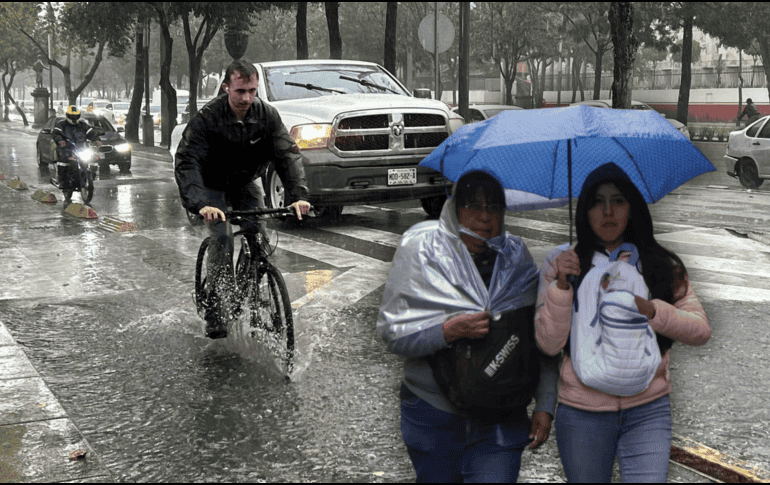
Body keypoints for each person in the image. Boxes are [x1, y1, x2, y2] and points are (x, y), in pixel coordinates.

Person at [534, 162, 711, 482]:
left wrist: (654, 311)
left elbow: (700, 330)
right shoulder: (562, 262)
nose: (608, 211)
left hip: (648, 410)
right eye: (597, 202)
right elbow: (548, 343)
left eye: (617, 200)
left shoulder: (659, 263)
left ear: (632, 208)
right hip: (582, 413)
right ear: (584, 212)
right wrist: (561, 287)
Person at [377, 171, 558, 483]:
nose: (484, 219)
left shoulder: (515, 259)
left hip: (501, 414)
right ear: (454, 211)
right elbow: (392, 334)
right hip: (433, 414)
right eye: (473, 207)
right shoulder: (424, 254)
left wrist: (545, 401)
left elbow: (539, 337)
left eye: (494, 208)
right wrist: (447, 332)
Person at [175, 59, 311, 339]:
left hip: (245, 183)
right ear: (226, 87)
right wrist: (202, 203)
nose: (246, 98)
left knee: (258, 234)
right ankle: (214, 306)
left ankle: (255, 284)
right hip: (211, 187)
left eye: (251, 90)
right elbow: (188, 160)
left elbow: (287, 155)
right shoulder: (208, 117)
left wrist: (298, 197)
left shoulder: (267, 115)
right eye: (240, 91)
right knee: (222, 238)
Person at [51, 105, 98, 201]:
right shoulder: (61, 124)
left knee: (91, 160)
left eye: (76, 116)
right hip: (66, 149)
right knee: (64, 163)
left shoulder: (82, 125)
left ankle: (86, 179)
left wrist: (97, 140)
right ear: (67, 115)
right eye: (72, 116)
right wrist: (60, 141)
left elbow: (91, 133)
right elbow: (56, 133)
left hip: (80, 148)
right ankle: (63, 182)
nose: (74, 118)